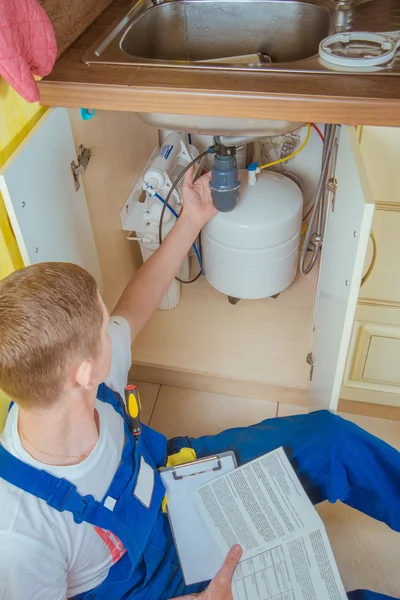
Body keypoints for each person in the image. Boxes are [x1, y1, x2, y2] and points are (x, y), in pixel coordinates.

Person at [0, 167, 398, 600]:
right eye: (102, 328)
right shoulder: (20, 535)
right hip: (152, 588)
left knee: (330, 440)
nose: (112, 328)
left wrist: (193, 217)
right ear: (83, 373)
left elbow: (136, 302)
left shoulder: (64, 381)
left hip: (177, 485)